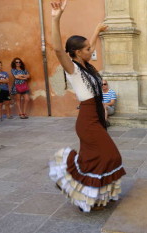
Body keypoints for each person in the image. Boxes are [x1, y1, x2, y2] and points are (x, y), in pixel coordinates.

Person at [49, 0, 125, 212]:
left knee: (94, 158)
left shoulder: (85, 65)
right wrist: (56, 19)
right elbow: (57, 48)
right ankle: (89, 194)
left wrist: (96, 30)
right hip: (87, 121)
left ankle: (94, 198)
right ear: (76, 52)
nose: (91, 50)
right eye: (87, 49)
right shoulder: (72, 69)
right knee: (110, 155)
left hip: (95, 117)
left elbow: (87, 45)